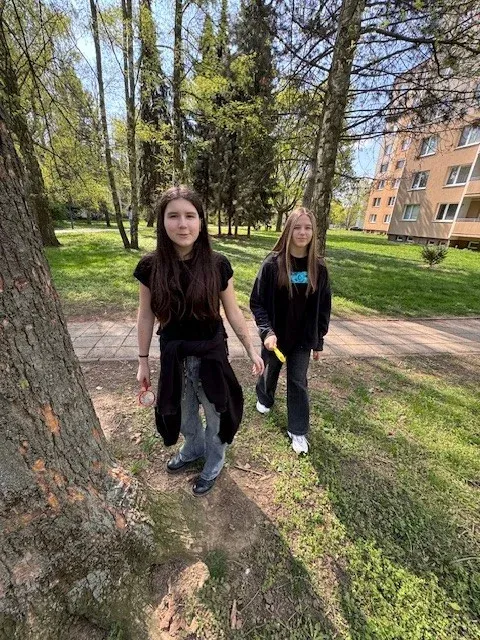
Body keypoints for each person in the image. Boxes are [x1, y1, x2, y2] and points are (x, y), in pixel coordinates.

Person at [134, 186, 264, 496]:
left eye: (190, 216)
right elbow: (145, 316)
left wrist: (251, 348)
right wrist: (142, 361)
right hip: (174, 356)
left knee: (217, 413)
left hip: (211, 355)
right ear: (162, 221)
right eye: (173, 216)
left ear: (201, 221)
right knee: (183, 413)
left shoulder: (218, 264)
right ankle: (193, 448)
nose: (183, 225)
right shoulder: (150, 267)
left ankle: (214, 462)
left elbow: (233, 311)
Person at [250, 207, 331, 454]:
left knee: (298, 381)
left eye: (307, 227)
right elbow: (257, 302)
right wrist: (267, 332)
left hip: (302, 340)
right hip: (275, 337)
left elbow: (324, 307)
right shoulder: (272, 264)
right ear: (288, 230)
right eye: (297, 227)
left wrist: (318, 340)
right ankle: (265, 397)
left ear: (314, 232)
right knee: (270, 371)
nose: (302, 232)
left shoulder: (319, 268)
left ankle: (297, 430)